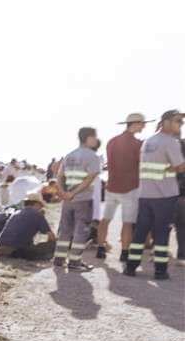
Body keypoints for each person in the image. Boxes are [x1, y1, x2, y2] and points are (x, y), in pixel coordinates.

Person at [125, 110, 185, 280]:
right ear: (166, 122)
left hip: (145, 194)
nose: (181, 124)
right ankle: (160, 271)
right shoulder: (171, 142)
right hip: (164, 196)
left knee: (140, 232)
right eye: (178, 121)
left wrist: (167, 168)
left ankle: (131, 267)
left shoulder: (148, 142)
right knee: (162, 234)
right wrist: (173, 168)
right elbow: (180, 167)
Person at [98, 113, 147, 261]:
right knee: (127, 223)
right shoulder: (138, 144)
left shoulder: (112, 141)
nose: (144, 126)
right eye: (142, 123)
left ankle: (100, 249)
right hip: (130, 188)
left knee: (105, 219)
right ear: (135, 124)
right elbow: (141, 165)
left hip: (112, 186)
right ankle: (124, 252)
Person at [53, 127, 102, 271]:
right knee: (81, 230)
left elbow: (59, 176)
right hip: (83, 198)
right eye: (95, 137)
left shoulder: (69, 155)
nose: (96, 140)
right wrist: (73, 193)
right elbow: (89, 178)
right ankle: (75, 262)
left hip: (68, 200)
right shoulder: (93, 156)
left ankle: (59, 259)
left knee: (65, 230)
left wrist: (63, 192)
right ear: (88, 138)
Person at [0, 193, 56, 260]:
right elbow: (51, 236)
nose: (41, 208)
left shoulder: (16, 213)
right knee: (54, 244)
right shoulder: (37, 214)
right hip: (15, 250)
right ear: (37, 204)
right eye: (41, 206)